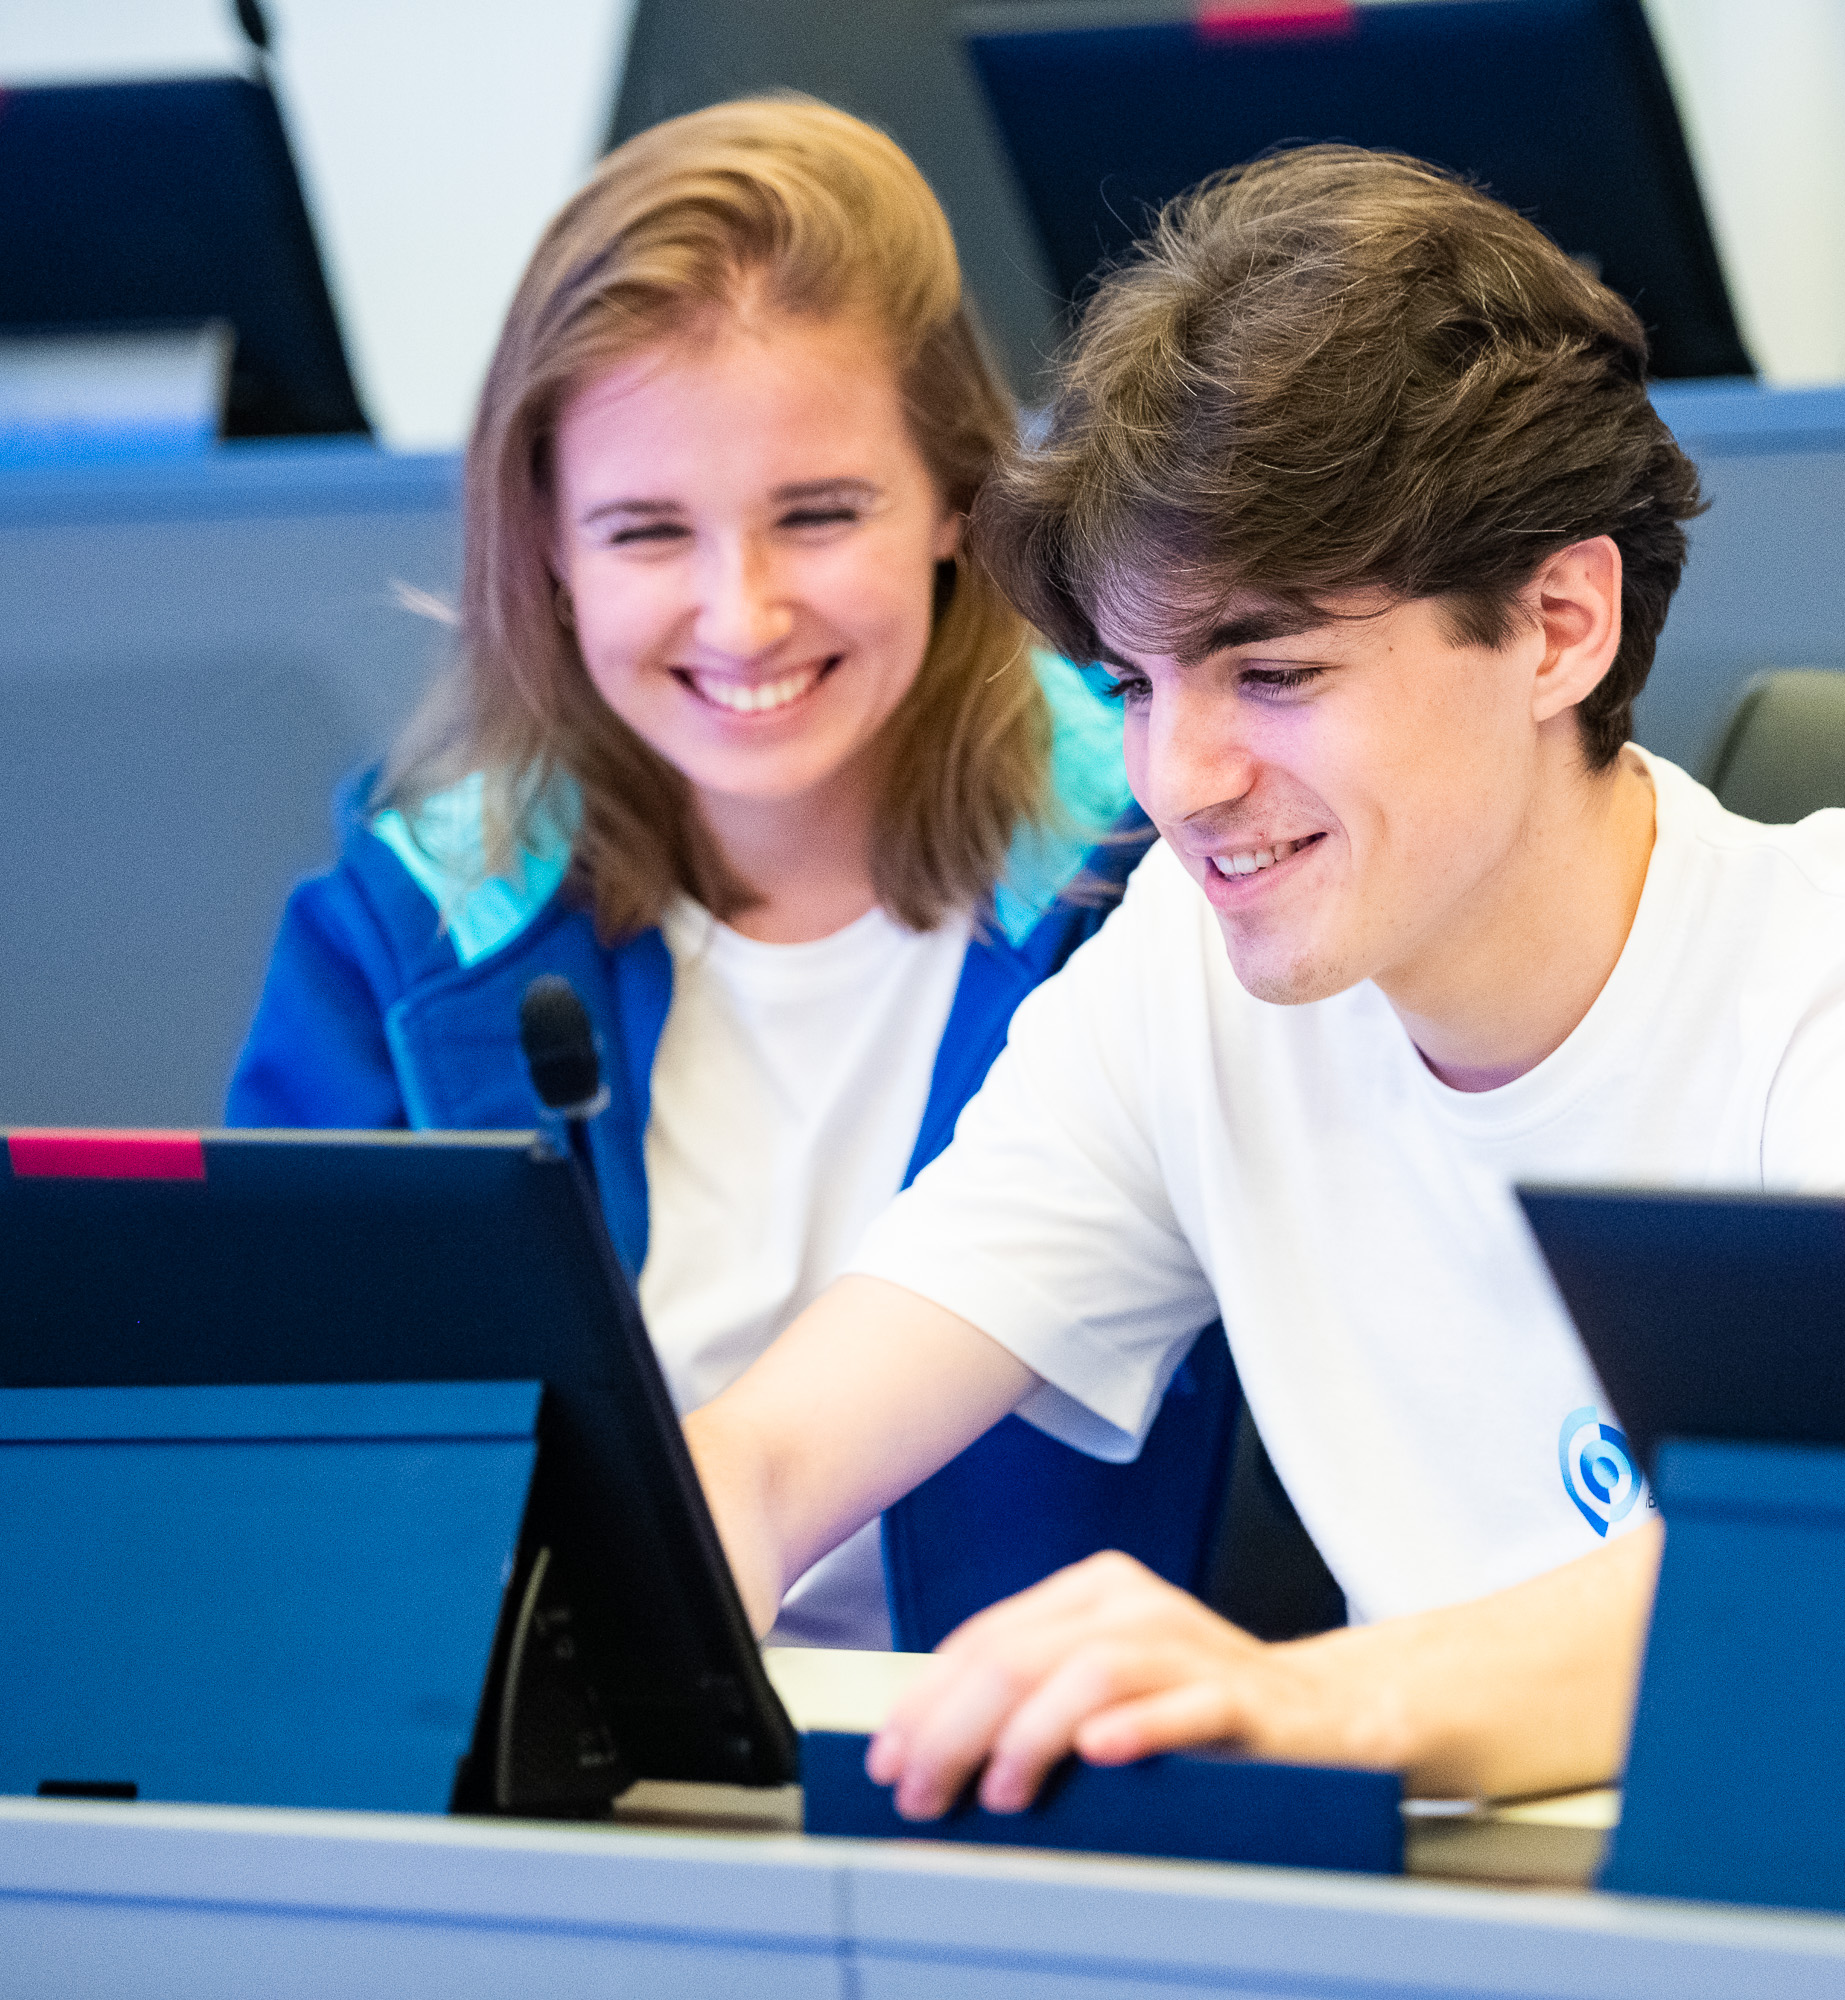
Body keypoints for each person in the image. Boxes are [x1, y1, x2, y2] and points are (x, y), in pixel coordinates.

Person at [685, 141, 1845, 1808]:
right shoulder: (1188, 966)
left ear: (1559, 626)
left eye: (1274, 671)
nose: (1177, 781)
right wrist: (656, 1551)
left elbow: (1836, 1583)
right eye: (1139, 686)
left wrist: (1296, 1702)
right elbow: (780, 1453)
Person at [226, 95, 1240, 1652]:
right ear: (546, 547)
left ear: (958, 501)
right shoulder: (409, 926)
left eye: (817, 514)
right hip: (580, 1746)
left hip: (1043, 1755)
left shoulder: (1181, 864)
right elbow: (279, 1461)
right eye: (647, 532)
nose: (743, 614)